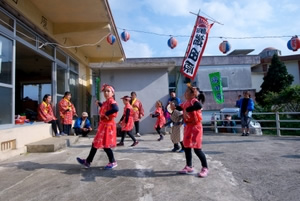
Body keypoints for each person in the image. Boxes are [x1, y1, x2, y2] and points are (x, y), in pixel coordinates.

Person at [76, 84, 119, 169]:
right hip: (103, 126)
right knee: (95, 143)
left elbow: (116, 109)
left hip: (108, 126)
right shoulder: (107, 102)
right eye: (105, 91)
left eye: (108, 91)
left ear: (112, 93)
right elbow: (104, 107)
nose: (106, 93)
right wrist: (99, 103)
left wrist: (106, 114)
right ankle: (88, 161)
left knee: (105, 145)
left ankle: (113, 161)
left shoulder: (111, 101)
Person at [176, 84, 209, 178]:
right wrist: (172, 106)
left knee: (197, 149)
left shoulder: (194, 101)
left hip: (196, 127)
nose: (185, 93)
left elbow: (198, 106)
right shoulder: (185, 103)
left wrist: (186, 109)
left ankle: (205, 168)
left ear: (193, 94)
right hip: (189, 127)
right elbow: (179, 107)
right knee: (187, 147)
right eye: (185, 91)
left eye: (187, 92)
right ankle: (189, 166)